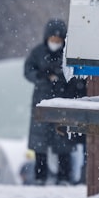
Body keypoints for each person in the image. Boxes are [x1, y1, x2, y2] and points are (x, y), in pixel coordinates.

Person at [24, 19, 76, 185]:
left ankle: (64, 176)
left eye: (58, 40)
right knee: (40, 142)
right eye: (52, 39)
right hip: (41, 102)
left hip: (63, 102)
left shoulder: (68, 54)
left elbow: (73, 77)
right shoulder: (37, 52)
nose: (55, 43)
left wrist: (60, 79)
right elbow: (28, 71)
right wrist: (42, 76)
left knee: (63, 140)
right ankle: (40, 176)